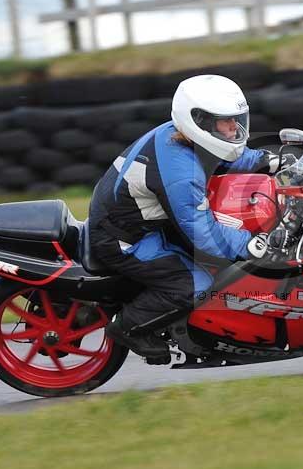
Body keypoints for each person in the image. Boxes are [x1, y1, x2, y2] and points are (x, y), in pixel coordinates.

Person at [88, 75, 289, 362]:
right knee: (196, 284)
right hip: (123, 238)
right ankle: (129, 328)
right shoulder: (181, 173)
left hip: (143, 220)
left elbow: (226, 155)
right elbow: (203, 232)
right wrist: (251, 244)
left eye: (236, 119)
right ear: (201, 122)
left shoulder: (186, 136)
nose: (235, 127)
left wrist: (267, 161)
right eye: (226, 121)